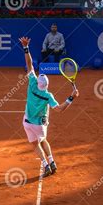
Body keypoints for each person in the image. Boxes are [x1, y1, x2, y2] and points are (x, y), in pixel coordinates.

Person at [19, 36, 79, 177]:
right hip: (40, 124)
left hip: (28, 122)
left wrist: (26, 47)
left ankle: (46, 165)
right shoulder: (48, 96)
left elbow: (29, 64)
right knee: (44, 140)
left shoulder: (32, 83)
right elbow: (59, 109)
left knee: (35, 144)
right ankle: (52, 162)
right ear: (46, 85)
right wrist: (71, 97)